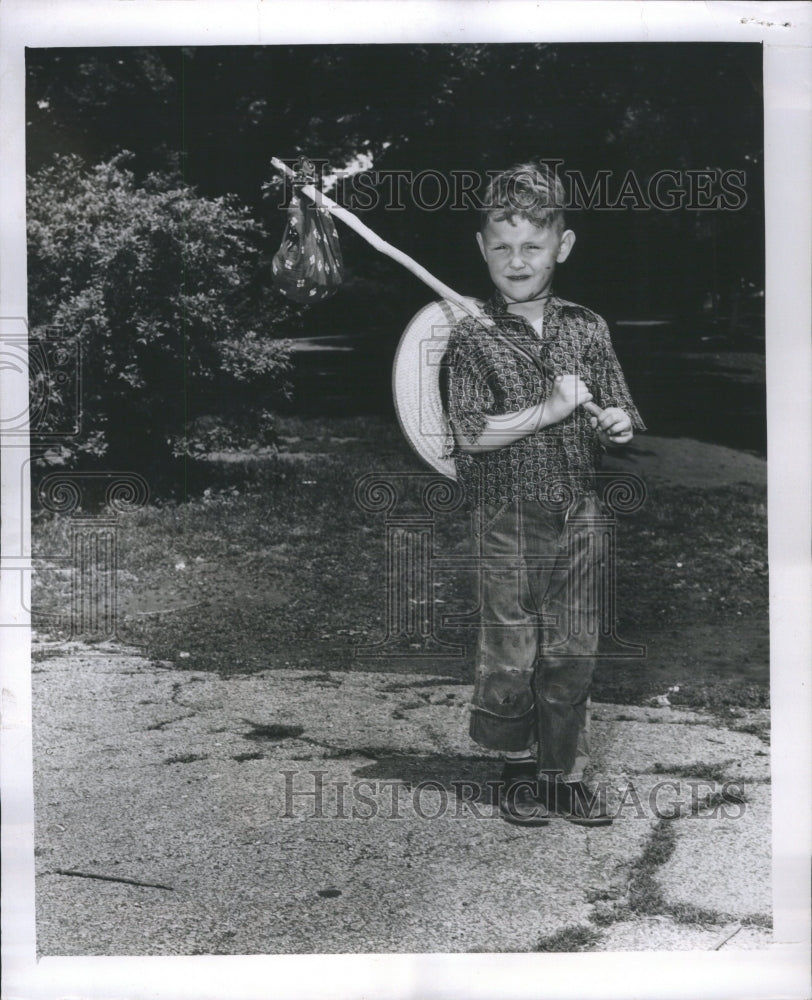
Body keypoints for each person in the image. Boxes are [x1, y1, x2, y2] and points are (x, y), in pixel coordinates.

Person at [443, 161, 646, 827]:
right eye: (501, 247)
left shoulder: (587, 328)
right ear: (482, 249)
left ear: (562, 245)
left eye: (532, 245)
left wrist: (615, 422)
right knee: (511, 651)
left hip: (578, 509)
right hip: (503, 515)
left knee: (572, 649)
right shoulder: (471, 333)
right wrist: (550, 409)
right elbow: (470, 435)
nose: (517, 260)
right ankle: (516, 767)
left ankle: (562, 774)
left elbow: (617, 411)